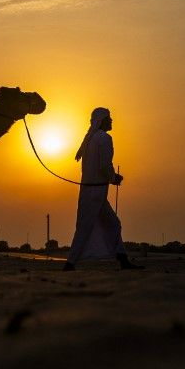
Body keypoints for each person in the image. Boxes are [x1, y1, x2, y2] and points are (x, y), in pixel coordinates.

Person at [63, 107, 143, 271]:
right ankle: (70, 263)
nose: (111, 121)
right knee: (86, 227)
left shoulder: (91, 140)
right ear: (102, 121)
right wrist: (114, 178)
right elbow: (104, 166)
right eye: (109, 118)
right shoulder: (105, 139)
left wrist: (110, 178)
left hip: (91, 191)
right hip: (95, 192)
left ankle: (122, 259)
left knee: (113, 223)